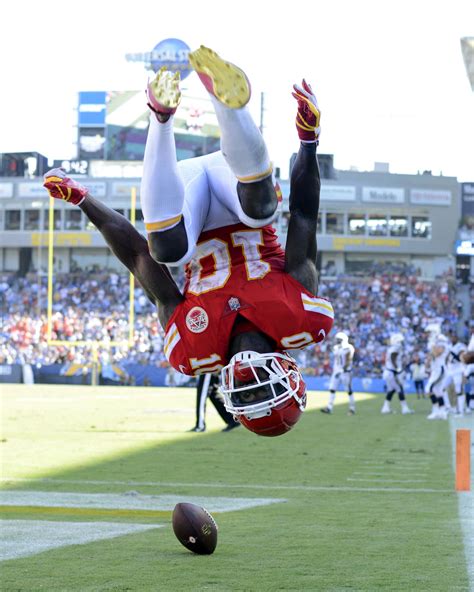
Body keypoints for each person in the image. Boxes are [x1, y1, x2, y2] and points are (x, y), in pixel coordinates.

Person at [43, 45, 333, 438]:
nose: (250, 383)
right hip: (238, 190)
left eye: (246, 394)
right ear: (288, 374)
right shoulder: (302, 319)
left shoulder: (193, 351)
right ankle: (223, 97)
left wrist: (82, 199)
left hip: (187, 206)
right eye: (264, 389)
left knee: (167, 251)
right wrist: (308, 140)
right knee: (262, 210)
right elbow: (303, 215)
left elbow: (137, 256)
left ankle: (160, 116)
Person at [320, 332, 355, 415]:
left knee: (348, 390)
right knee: (332, 389)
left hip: (345, 372)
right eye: (337, 340)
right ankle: (329, 408)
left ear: (343, 340)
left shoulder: (348, 347)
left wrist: (342, 370)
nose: (337, 341)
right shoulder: (336, 348)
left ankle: (352, 409)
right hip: (336, 372)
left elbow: (348, 360)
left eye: (339, 340)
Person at [381, 333, 414, 415]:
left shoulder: (393, 347)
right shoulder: (396, 347)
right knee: (400, 389)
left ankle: (385, 407)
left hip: (389, 372)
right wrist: (397, 368)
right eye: (400, 341)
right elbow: (393, 357)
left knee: (391, 390)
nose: (402, 342)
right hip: (392, 372)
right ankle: (405, 408)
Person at [424, 324, 450, 420]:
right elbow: (431, 356)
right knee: (437, 391)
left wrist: (432, 345)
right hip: (436, 368)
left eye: (429, 332)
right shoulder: (434, 341)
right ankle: (442, 412)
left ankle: (435, 411)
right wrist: (427, 365)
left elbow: (437, 353)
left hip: (440, 368)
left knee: (428, 389)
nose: (427, 335)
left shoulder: (440, 339)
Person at [443, 332, 467, 416]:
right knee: (442, 387)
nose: (452, 339)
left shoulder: (461, 346)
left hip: (458, 370)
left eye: (454, 337)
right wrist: (446, 364)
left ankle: (461, 411)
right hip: (450, 370)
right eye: (451, 337)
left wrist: (452, 353)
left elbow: (461, 358)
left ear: (457, 338)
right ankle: (449, 407)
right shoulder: (449, 346)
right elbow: (446, 358)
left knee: (459, 390)